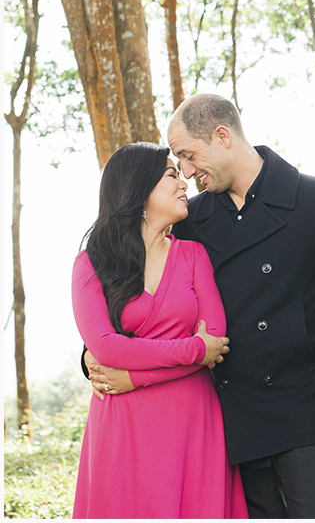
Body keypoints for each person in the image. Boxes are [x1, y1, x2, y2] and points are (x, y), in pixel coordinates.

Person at [87, 96, 315, 519]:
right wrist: (94, 352)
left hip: (303, 410)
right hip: (232, 418)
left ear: (222, 136)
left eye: (189, 155)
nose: (186, 171)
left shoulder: (313, 199)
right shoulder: (192, 219)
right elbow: (138, 287)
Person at [72, 141, 248, 519]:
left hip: (192, 422)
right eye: (171, 175)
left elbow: (215, 344)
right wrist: (193, 350)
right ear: (138, 190)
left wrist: (134, 378)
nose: (185, 182)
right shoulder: (92, 263)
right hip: (123, 427)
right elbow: (105, 348)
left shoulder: (193, 255)